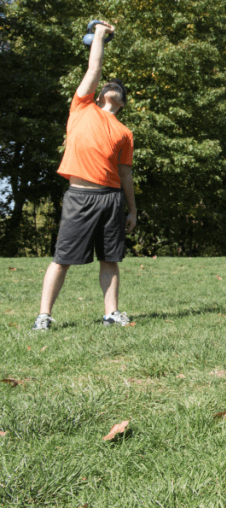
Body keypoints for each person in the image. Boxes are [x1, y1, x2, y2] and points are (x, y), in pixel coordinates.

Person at [33, 20, 137, 331]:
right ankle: (44, 315)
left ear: (123, 101)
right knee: (62, 258)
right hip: (79, 196)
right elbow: (94, 70)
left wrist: (132, 210)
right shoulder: (82, 107)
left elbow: (126, 174)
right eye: (108, 84)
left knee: (110, 259)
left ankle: (111, 313)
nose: (112, 85)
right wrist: (101, 37)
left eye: (119, 87)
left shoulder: (125, 133)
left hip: (111, 199)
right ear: (99, 92)